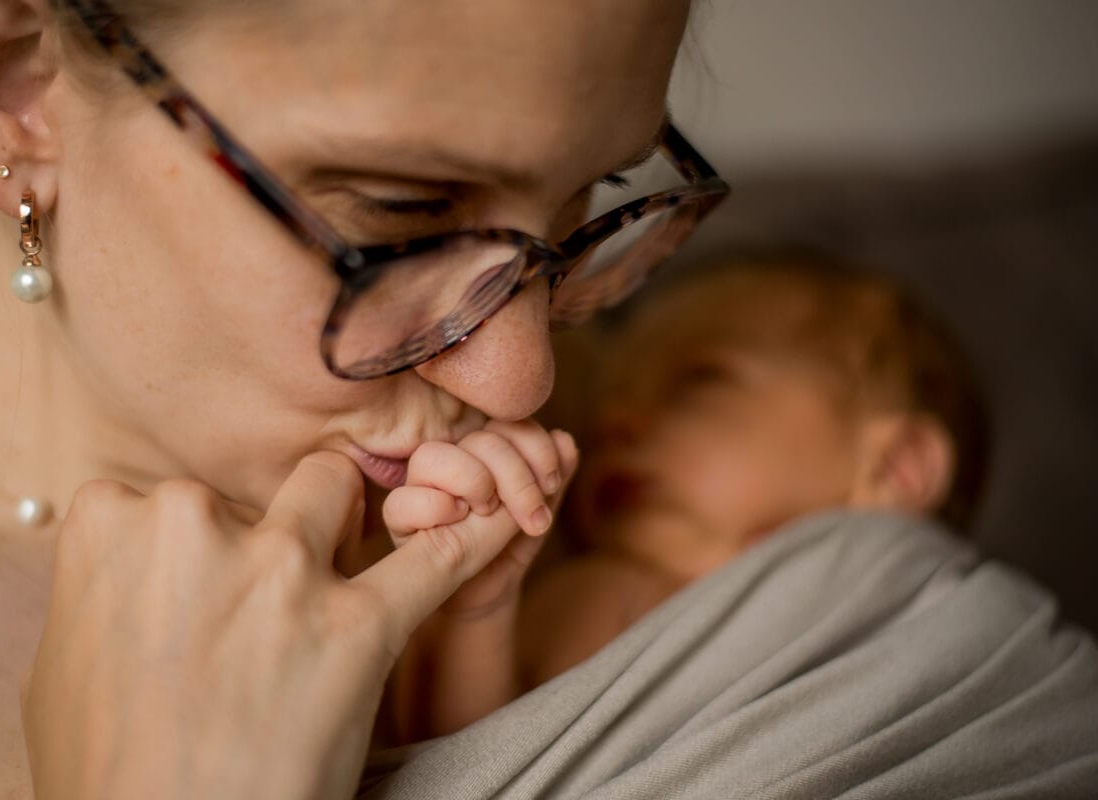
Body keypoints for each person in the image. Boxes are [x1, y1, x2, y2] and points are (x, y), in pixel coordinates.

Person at [0, 0, 727, 797]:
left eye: (588, 195)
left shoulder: (650, 469)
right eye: (402, 212)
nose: (520, 380)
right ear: (17, 86)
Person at [383, 254, 990, 738]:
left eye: (696, 383)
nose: (616, 422)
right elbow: (468, 765)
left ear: (897, 468)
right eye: (612, 399)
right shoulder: (610, 593)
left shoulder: (943, 617)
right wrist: (479, 609)